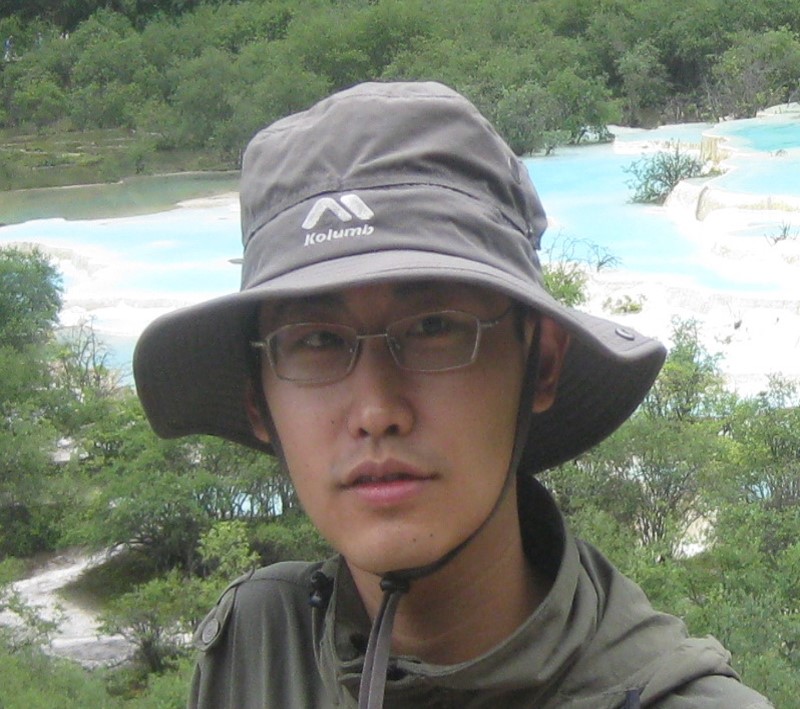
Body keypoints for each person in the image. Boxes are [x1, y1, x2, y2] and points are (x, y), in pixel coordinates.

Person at [133, 82, 772, 708]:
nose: (377, 412)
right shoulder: (259, 648)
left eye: (435, 328)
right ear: (258, 401)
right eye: (317, 341)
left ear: (542, 364)